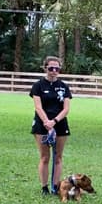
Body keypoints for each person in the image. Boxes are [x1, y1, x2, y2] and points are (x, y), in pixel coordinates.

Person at [30, 55, 72, 195]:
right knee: (45, 157)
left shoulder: (64, 87)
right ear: (45, 68)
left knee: (58, 157)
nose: (54, 71)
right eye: (51, 68)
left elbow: (66, 109)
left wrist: (54, 122)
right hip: (42, 125)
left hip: (60, 124)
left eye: (57, 68)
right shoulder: (38, 86)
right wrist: (47, 123)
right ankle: (44, 187)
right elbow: (38, 106)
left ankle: (56, 186)